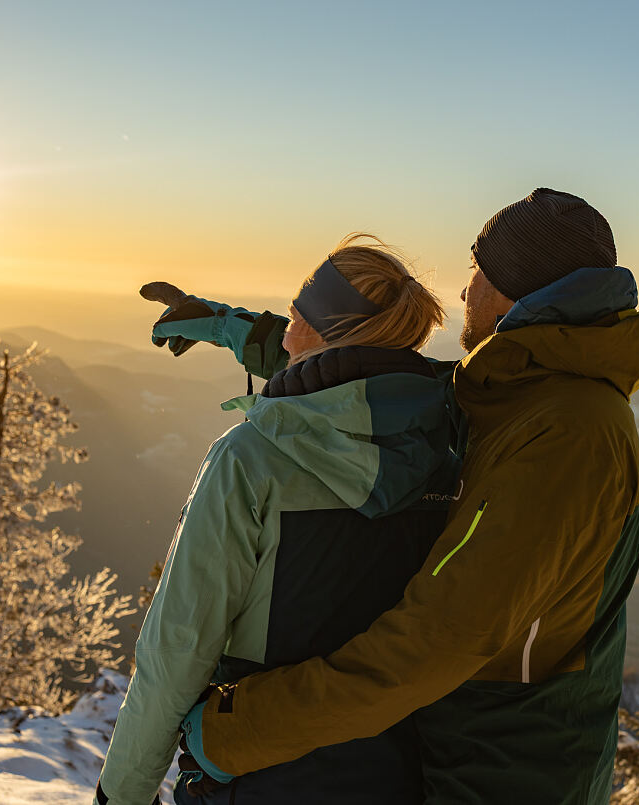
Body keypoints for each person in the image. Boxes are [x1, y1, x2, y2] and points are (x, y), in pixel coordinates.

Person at [171, 189, 639, 805]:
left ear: (517, 291)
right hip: (456, 757)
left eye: (478, 272)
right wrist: (241, 330)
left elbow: (440, 636)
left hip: (507, 778)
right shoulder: (521, 393)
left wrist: (241, 729)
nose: (465, 293)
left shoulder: (567, 436)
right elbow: (373, 385)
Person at [94, 234, 458, 805]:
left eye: (297, 314)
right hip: (401, 775)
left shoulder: (251, 460)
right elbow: (362, 376)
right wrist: (223, 325)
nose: (286, 328)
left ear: (326, 332)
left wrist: (120, 795)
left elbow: (177, 652)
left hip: (256, 771)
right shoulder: (449, 445)